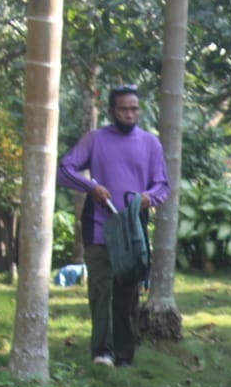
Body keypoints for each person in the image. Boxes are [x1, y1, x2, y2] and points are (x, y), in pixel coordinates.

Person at [57, 83, 170, 367]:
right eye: (123, 109)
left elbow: (162, 184)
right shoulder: (95, 140)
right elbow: (64, 168)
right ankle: (101, 352)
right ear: (111, 111)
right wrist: (90, 187)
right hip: (98, 229)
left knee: (127, 294)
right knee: (100, 292)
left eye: (134, 109)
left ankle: (124, 354)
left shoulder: (150, 143)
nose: (130, 114)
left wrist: (148, 197)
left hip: (133, 232)